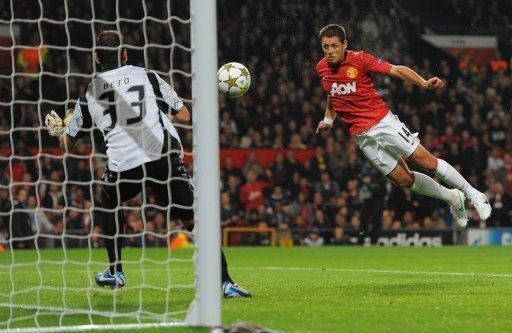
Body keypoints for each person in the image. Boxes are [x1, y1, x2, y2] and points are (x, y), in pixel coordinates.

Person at [44, 30, 251, 297]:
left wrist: (59, 129)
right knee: (195, 220)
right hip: (161, 158)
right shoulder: (148, 76)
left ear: (96, 57)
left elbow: (66, 144)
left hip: (123, 166)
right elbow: (185, 115)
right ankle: (225, 282)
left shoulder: (89, 94)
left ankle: (115, 271)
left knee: (108, 203)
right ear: (125, 54)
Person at [315, 24, 491, 226]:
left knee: (427, 162)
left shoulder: (360, 59)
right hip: (361, 137)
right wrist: (328, 119)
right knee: (404, 181)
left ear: (345, 44)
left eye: (334, 46)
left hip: (383, 123)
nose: (330, 51)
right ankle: (452, 197)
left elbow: (396, 70)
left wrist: (424, 83)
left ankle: (475, 194)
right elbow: (333, 93)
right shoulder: (321, 68)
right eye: (326, 47)